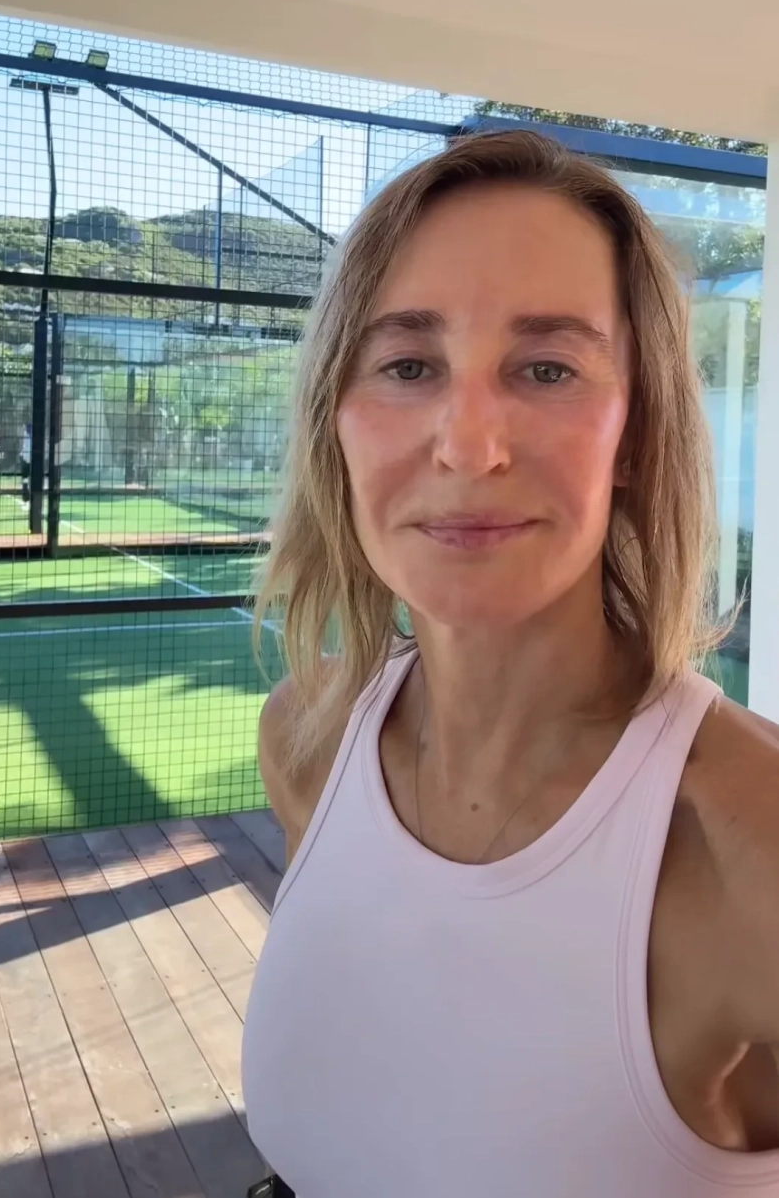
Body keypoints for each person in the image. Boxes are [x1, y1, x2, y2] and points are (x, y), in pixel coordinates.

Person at [240, 130, 779, 1196]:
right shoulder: (307, 737)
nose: (468, 444)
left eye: (547, 368)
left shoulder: (747, 843)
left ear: (634, 434)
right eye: (407, 365)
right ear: (335, 419)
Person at [19, 422, 32, 505]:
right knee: (27, 479)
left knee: (25, 479)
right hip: (30, 458)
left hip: (26, 458)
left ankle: (25, 497)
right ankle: (28, 497)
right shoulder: (28, 434)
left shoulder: (26, 434)